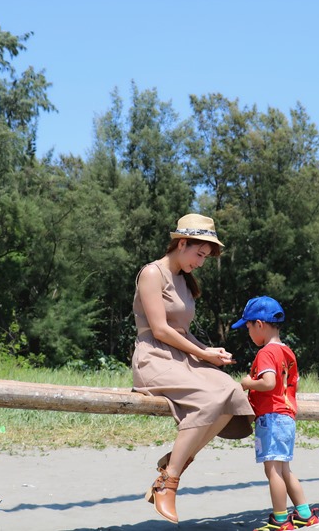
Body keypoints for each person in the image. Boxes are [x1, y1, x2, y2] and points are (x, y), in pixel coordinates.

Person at [132, 213, 255, 524]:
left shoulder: (184, 281)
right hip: (154, 359)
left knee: (231, 392)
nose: (200, 262)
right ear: (182, 243)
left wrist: (209, 352)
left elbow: (182, 332)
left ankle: (174, 462)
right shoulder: (152, 273)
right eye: (199, 254)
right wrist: (202, 353)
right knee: (209, 399)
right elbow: (160, 330)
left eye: (205, 256)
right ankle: (168, 481)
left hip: (183, 357)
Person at [233, 296, 319, 530]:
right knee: (284, 468)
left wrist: (247, 382)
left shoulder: (266, 353)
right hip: (286, 416)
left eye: (248, 327)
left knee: (272, 470)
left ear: (259, 325)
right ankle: (304, 514)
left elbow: (269, 382)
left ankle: (280, 520)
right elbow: (294, 385)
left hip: (271, 417)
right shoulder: (288, 352)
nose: (248, 333)